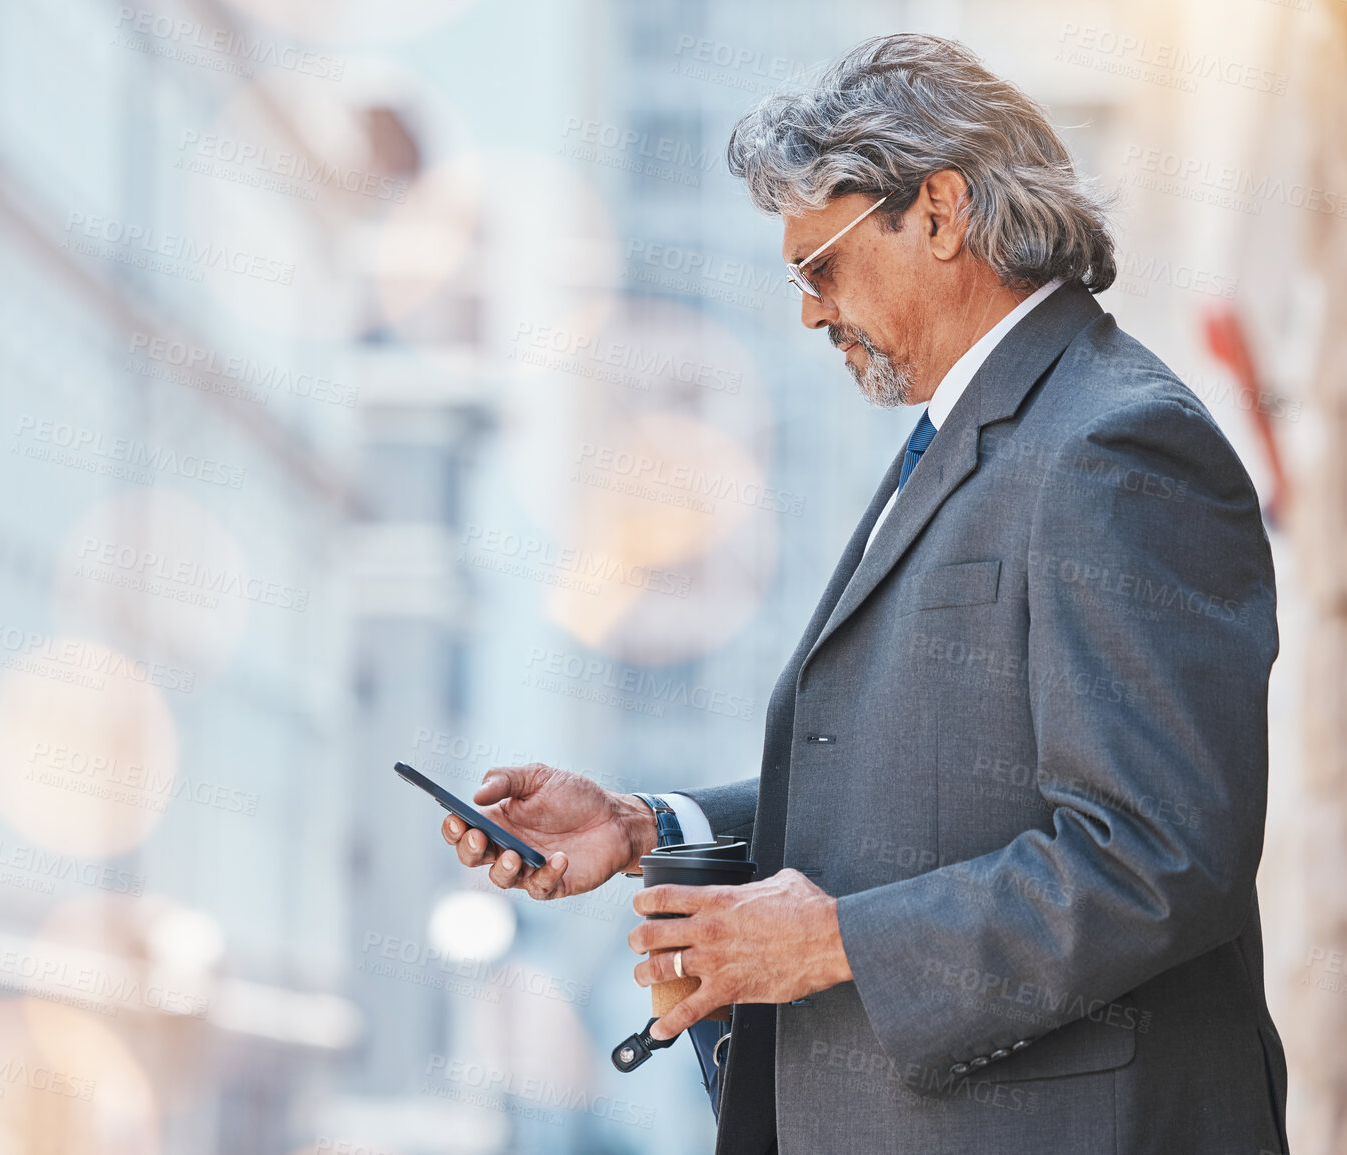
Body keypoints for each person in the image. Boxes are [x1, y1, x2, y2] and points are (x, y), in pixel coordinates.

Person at [441, 33, 1288, 1155]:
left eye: (819, 267)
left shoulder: (1116, 446)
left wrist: (836, 943)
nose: (808, 313)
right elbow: (908, 778)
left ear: (938, 211)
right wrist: (650, 827)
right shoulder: (983, 436)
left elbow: (1161, 857)